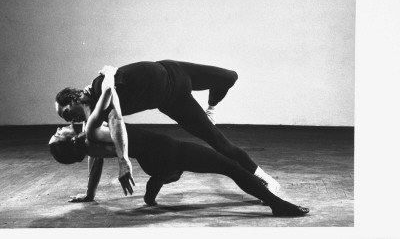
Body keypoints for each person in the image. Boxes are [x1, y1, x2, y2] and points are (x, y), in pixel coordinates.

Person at [49, 83, 309, 217]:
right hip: (165, 151)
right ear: (70, 143)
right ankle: (278, 205)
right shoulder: (92, 131)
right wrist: (108, 73)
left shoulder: (90, 142)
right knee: (229, 166)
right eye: (58, 134)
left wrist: (89, 194)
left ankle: (160, 179)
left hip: (155, 158)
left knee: (176, 171)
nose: (59, 127)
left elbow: (94, 164)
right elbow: (107, 93)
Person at [55, 60, 280, 196]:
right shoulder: (99, 113)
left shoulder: (96, 86)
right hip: (172, 100)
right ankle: (264, 178)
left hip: (174, 69)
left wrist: (110, 74)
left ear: (73, 99)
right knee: (218, 142)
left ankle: (211, 108)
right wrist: (89, 193)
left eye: (65, 112)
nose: (67, 120)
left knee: (230, 77)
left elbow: (108, 95)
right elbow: (96, 151)